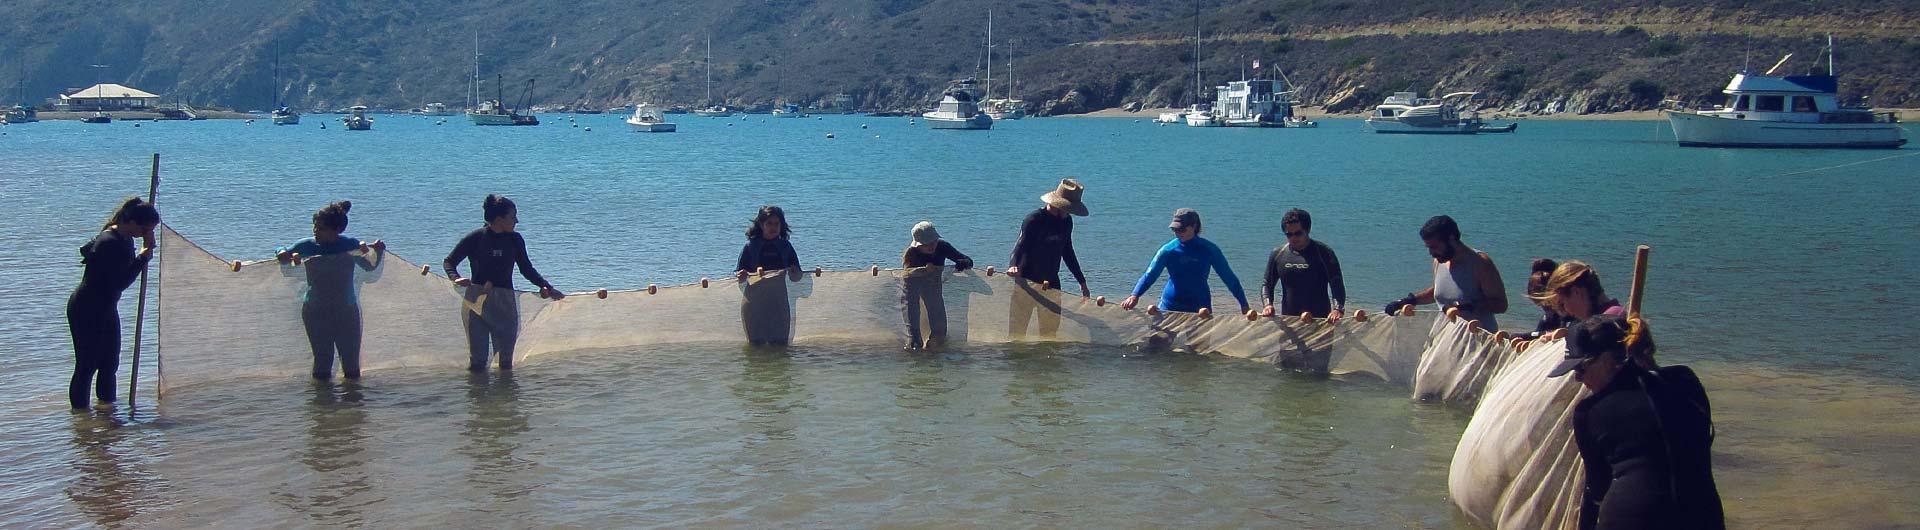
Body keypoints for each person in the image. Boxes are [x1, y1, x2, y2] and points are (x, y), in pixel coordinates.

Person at [1549, 315, 1724, 530]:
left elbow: (1597, 490)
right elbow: (1701, 441)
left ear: (1606, 360)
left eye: (1580, 368)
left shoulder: (1588, 412)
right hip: (1703, 516)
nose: (1577, 378)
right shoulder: (1685, 380)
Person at [444, 194, 564, 372]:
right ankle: (478, 398)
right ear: (499, 219)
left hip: (505, 303)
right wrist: (455, 278)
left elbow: (526, 269)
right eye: (513, 216)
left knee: (506, 363)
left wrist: (546, 286)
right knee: (477, 363)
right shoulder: (476, 238)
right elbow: (449, 262)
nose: (517, 220)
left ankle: (506, 399)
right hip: (476, 303)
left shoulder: (515, 240)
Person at [67, 198, 159, 410]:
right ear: (133, 222)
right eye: (145, 228)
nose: (147, 233)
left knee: (109, 364)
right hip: (86, 308)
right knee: (87, 365)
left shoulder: (124, 238)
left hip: (106, 307)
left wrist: (142, 253)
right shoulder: (110, 241)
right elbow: (120, 282)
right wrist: (143, 257)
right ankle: (80, 417)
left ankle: (106, 413)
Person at [275, 201, 384, 380]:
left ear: (336, 230)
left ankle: (352, 405)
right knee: (323, 360)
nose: (315, 231)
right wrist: (280, 251)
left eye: (321, 228)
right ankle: (321, 405)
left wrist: (378, 252)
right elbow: (283, 256)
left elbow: (370, 268)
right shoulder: (306, 246)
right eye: (315, 226)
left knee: (351, 363)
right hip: (315, 310)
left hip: (346, 310)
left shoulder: (349, 245)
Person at [1383, 215, 1508, 331]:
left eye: (1434, 247)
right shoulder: (1439, 261)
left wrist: (1469, 307)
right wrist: (1407, 301)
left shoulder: (1480, 263)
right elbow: (1440, 292)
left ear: (1451, 239)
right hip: (1446, 337)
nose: (1431, 253)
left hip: (1477, 341)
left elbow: (1501, 305)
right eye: (1428, 247)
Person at [1122, 208, 1251, 316]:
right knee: (1156, 344)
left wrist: (1244, 304)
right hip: (1170, 305)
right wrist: (1135, 295)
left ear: (1194, 226)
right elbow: (1150, 275)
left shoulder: (1209, 250)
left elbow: (1229, 278)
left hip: (1200, 307)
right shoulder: (1168, 250)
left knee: (1199, 347)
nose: (1178, 233)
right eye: (1175, 229)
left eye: (1182, 229)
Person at [1007, 178, 1090, 337]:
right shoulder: (1034, 219)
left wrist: (1081, 281)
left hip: (1051, 281)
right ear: (1057, 203)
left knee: (1050, 334)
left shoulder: (1066, 222)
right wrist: (1013, 265)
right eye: (1067, 209)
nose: (1068, 213)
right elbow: (1020, 245)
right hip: (1026, 281)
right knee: (1017, 333)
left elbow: (1067, 251)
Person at [1260, 208, 1346, 321]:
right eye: (1289, 234)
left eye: (1298, 233)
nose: (1293, 238)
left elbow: (1337, 284)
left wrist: (1337, 309)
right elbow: (1267, 284)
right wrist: (1268, 305)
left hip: (1320, 322)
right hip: (1290, 322)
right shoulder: (1278, 254)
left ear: (1308, 230)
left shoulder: (1324, 253)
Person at [900, 221, 973, 350]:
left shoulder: (942, 247)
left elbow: (968, 260)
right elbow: (908, 277)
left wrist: (962, 263)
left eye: (933, 241)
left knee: (939, 332)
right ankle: (914, 342)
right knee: (914, 338)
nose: (931, 246)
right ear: (918, 244)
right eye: (926, 244)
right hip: (912, 286)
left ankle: (935, 352)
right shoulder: (911, 254)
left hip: (932, 286)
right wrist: (923, 270)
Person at [735, 205, 801, 345]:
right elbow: (739, 277)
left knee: (781, 346)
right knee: (755, 347)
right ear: (761, 225)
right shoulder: (750, 247)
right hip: (754, 303)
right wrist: (742, 275)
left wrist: (795, 272)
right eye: (769, 223)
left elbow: (797, 278)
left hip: (779, 302)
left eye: (777, 224)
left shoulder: (786, 247)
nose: (773, 227)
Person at [1534, 260, 1625, 324]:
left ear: (1576, 292)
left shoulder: (1609, 323)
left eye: (1562, 304)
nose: (1565, 313)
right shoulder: (1616, 314)